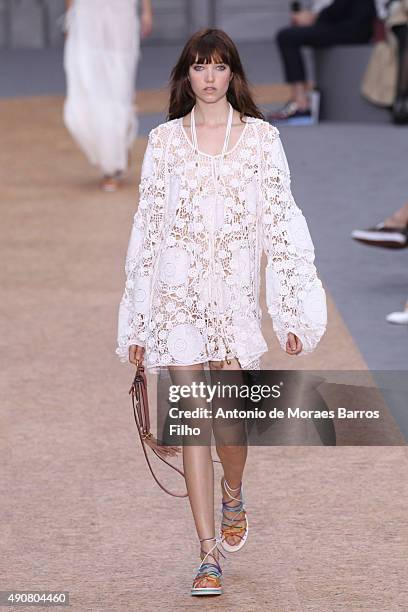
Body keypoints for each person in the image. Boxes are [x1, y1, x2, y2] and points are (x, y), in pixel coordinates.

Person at [116, 28, 327, 596]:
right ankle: (207, 554)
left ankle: (234, 490)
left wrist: (290, 311)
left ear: (232, 74)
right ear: (186, 76)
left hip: (231, 304)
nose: (208, 77)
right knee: (191, 427)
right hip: (175, 302)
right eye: (198, 67)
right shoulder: (162, 143)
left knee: (229, 428)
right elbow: (147, 233)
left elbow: (282, 224)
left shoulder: (261, 140)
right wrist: (138, 322)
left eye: (218, 66)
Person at [63, 0, 153, 192]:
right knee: (83, 89)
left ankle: (112, 164)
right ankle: (111, 149)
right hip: (87, 13)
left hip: (120, 14)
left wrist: (147, 10)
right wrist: (70, 15)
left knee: (117, 88)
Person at [269, 0, 377, 124]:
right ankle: (299, 100)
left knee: (286, 37)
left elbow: (340, 8)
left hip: (351, 27)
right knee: (290, 35)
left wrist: (314, 18)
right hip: (352, 24)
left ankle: (301, 103)